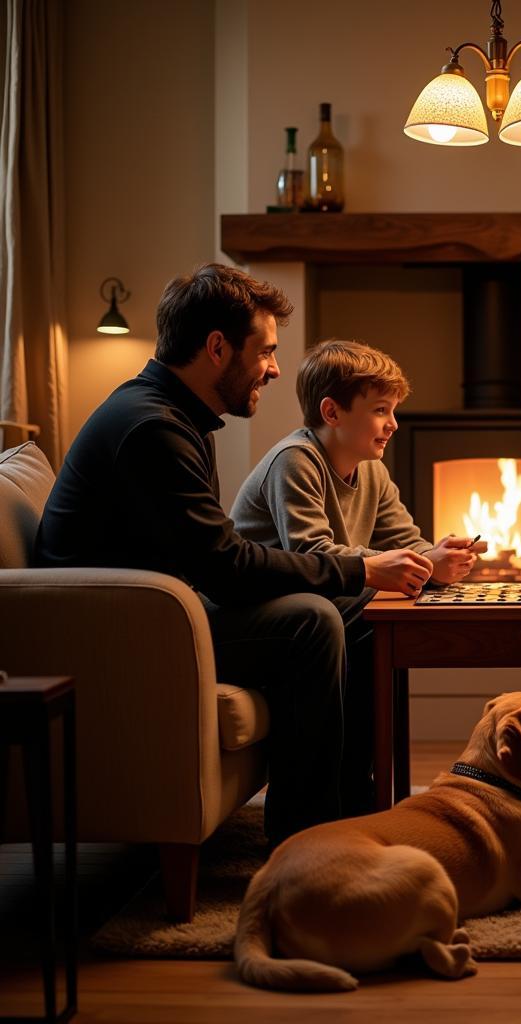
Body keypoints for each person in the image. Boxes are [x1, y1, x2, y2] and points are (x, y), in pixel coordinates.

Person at [35, 263, 433, 846]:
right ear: (218, 347)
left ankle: (354, 806)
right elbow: (225, 566)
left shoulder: (176, 417)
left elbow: (218, 558)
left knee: (361, 613)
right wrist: (359, 566)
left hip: (161, 611)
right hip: (120, 631)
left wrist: (364, 579)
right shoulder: (151, 429)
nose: (273, 368)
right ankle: (308, 838)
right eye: (266, 351)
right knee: (314, 621)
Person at [230, 339, 484, 807]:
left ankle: (360, 787)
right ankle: (342, 795)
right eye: (381, 410)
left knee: (380, 627)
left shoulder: (373, 472)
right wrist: (423, 565)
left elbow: (407, 542)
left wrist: (439, 556)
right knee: (371, 625)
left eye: (394, 410)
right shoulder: (296, 461)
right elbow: (311, 554)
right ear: (332, 412)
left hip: (327, 607)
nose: (393, 424)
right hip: (265, 614)